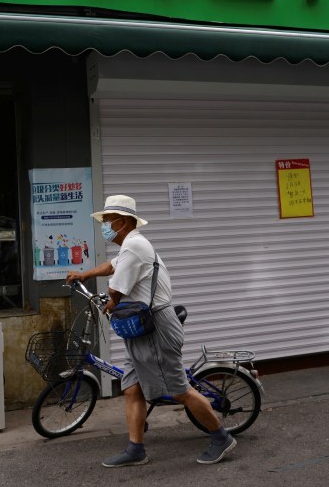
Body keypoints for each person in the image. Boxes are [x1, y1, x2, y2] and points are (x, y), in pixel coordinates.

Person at [66, 195, 236, 467]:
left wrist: (108, 306)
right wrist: (86, 275)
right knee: (132, 388)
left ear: (122, 222)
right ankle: (136, 449)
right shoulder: (129, 247)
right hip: (139, 329)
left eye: (108, 221)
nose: (105, 226)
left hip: (154, 326)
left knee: (178, 389)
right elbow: (113, 266)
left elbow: (115, 290)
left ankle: (221, 437)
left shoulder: (134, 246)